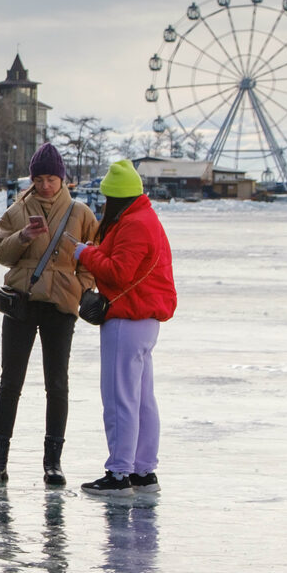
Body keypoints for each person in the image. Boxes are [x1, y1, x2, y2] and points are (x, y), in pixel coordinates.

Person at [0, 143, 99, 486]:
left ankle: (53, 462)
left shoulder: (80, 213)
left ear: (62, 179)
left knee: (57, 384)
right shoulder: (17, 210)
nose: (46, 185)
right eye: (40, 178)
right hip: (22, 300)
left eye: (51, 178)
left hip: (61, 305)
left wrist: (81, 285)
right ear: (32, 179)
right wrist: (23, 236)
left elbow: (94, 255)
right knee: (10, 382)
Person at [68, 159, 177, 497]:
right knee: (143, 398)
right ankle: (144, 471)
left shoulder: (133, 224)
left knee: (120, 399)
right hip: (146, 321)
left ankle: (118, 473)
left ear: (115, 197)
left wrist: (84, 253)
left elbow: (118, 272)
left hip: (127, 320)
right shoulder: (147, 218)